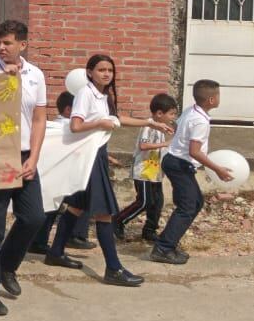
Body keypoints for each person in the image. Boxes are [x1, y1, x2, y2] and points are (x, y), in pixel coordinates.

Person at [44, 54, 171, 287]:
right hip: (90, 156)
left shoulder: (103, 95)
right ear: (90, 72)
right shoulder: (85, 93)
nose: (106, 74)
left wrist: (149, 122)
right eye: (101, 70)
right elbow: (76, 125)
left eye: (109, 70)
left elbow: (116, 118)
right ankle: (113, 268)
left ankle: (56, 251)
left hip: (97, 154)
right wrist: (100, 124)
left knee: (75, 206)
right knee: (104, 213)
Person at [0, 20, 48, 316]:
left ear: (23, 45)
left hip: (25, 152)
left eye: (9, 43)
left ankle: (6, 265)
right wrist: (6, 82)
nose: (2, 48)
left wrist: (35, 157)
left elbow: (39, 118)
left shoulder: (36, 75)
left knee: (33, 217)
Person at [151, 80, 233, 265]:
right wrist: (218, 169)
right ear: (211, 99)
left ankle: (167, 241)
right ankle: (163, 248)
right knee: (188, 206)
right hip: (179, 164)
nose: (220, 98)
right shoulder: (200, 121)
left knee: (195, 202)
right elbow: (194, 151)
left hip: (175, 161)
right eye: (218, 95)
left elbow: (178, 127)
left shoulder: (191, 110)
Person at [115, 94, 180, 241]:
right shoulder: (148, 126)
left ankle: (149, 230)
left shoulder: (163, 128)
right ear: (159, 114)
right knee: (144, 201)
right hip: (143, 171)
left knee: (157, 202)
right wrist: (164, 144)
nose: (173, 117)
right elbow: (143, 146)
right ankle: (118, 220)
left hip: (155, 172)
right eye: (171, 114)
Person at [29, 90, 76, 255]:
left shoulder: (56, 125)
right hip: (56, 175)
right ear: (69, 110)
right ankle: (38, 241)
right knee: (49, 210)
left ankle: (38, 240)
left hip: (50, 174)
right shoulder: (64, 127)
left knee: (49, 210)